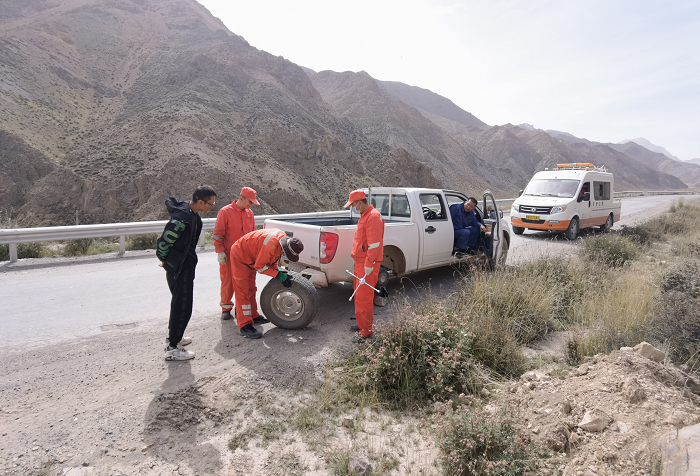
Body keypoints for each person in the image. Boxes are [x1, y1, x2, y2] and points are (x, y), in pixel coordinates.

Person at [156, 185, 217, 361]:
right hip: (179, 269)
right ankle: (172, 348)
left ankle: (174, 336)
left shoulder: (193, 216)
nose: (211, 207)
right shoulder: (182, 219)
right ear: (200, 201)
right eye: (210, 204)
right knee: (183, 306)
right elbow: (164, 241)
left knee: (179, 303)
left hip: (185, 267)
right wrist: (165, 259)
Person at [230, 229, 304, 339]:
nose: (285, 256)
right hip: (240, 256)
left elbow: (272, 259)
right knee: (242, 291)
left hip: (251, 258)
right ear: (285, 248)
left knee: (251, 288)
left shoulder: (281, 240)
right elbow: (260, 267)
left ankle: (253, 315)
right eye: (286, 254)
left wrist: (278, 271)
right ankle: (244, 325)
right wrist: (277, 275)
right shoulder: (270, 245)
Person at [212, 187, 260, 321]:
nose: (251, 205)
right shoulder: (225, 212)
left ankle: (245, 311)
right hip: (229, 254)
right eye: (249, 202)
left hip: (246, 255)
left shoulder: (249, 213)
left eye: (252, 203)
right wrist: (220, 252)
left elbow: (252, 234)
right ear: (241, 198)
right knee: (228, 282)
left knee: (247, 284)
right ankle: (226, 308)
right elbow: (218, 234)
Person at [344, 190, 385, 343]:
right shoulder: (366, 215)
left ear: (360, 203)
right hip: (361, 263)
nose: (353, 208)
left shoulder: (372, 216)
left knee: (364, 298)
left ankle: (366, 331)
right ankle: (361, 324)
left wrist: (369, 264)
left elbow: (374, 244)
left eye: (353, 205)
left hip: (367, 264)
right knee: (359, 296)